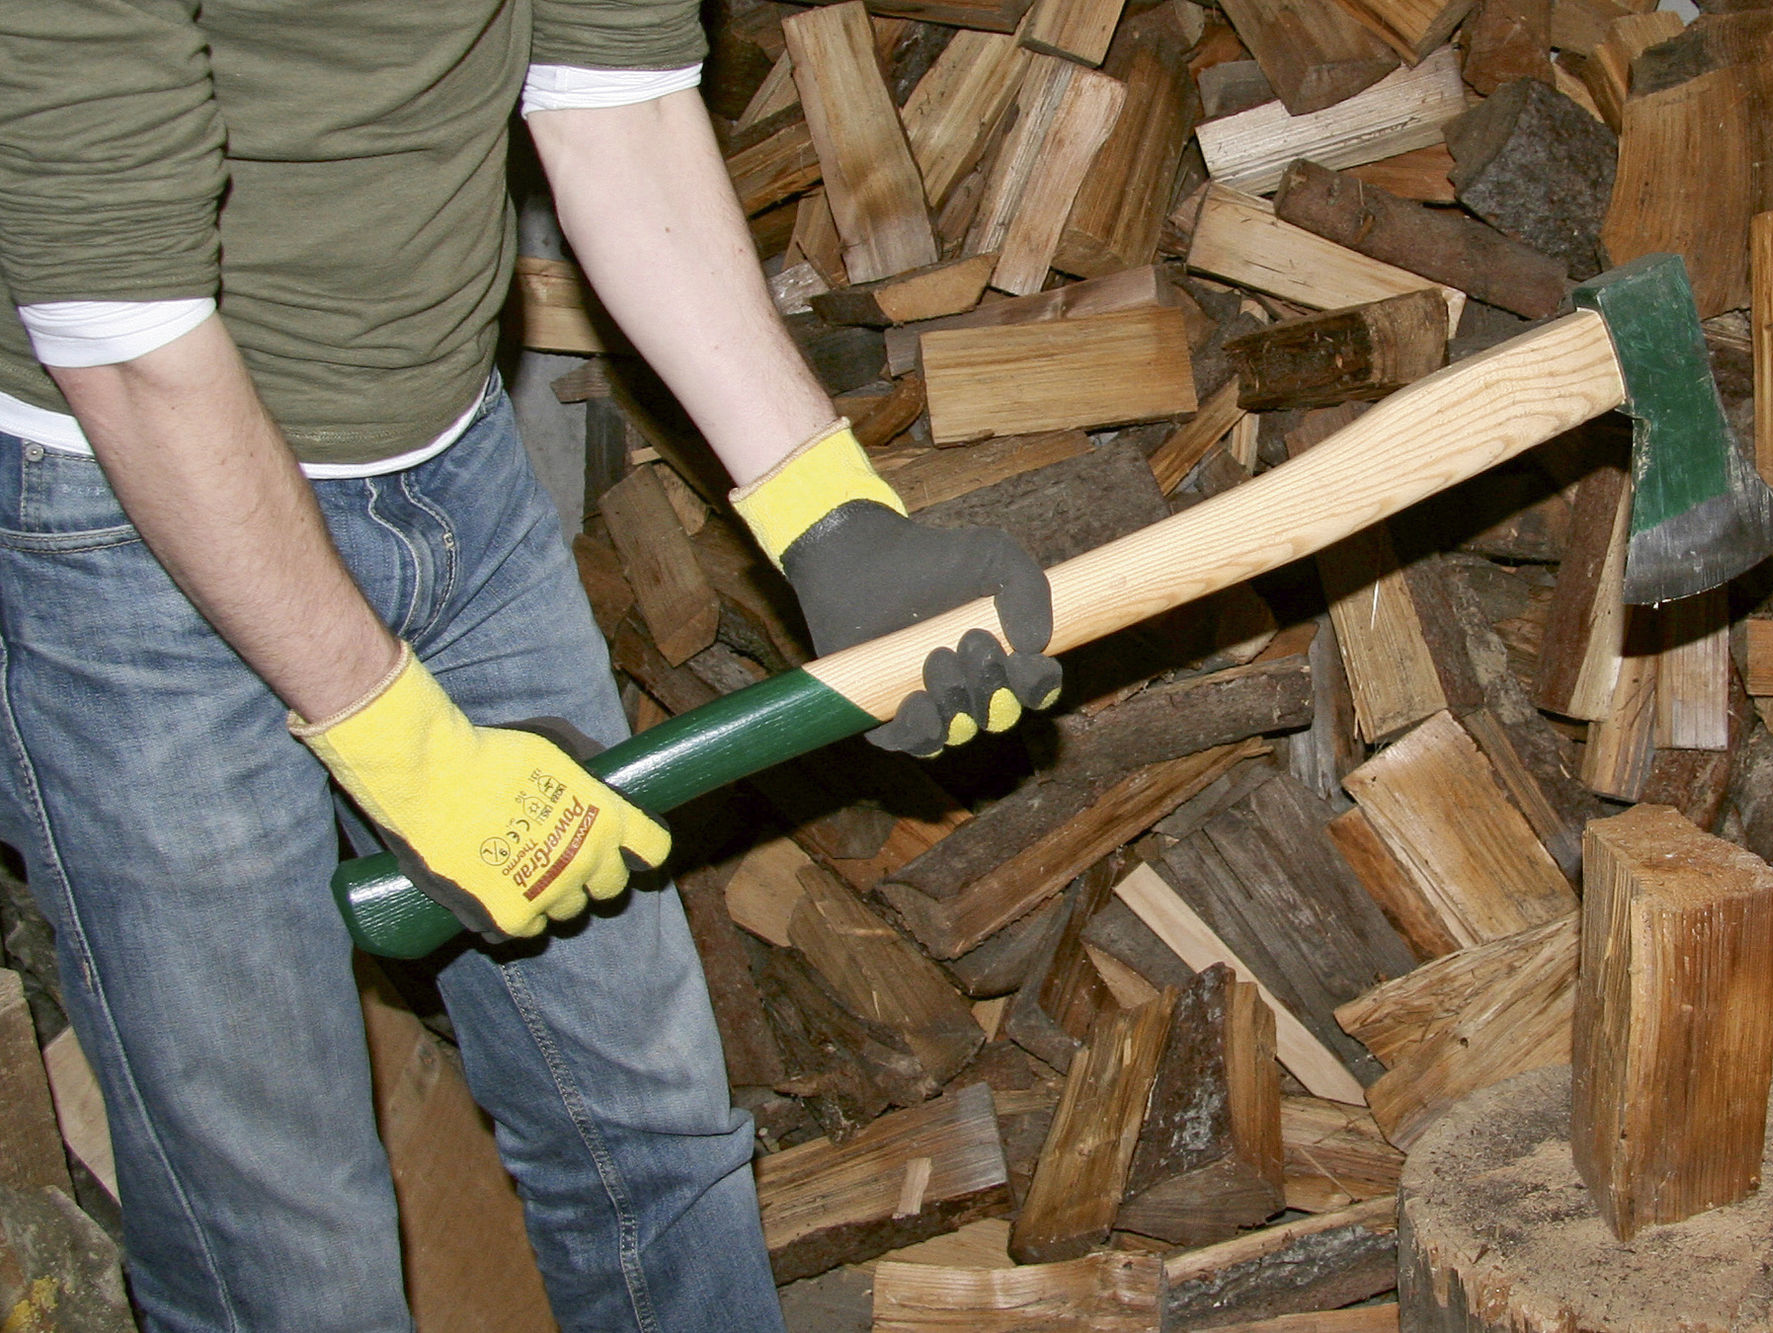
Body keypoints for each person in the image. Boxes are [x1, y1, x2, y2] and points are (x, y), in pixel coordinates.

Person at [0, 2, 1056, 1329]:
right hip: (127, 512)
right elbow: (126, 337)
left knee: (651, 1123)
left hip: (453, 467)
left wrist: (826, 512)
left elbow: (615, 102)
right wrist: (407, 752)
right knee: (285, 1247)